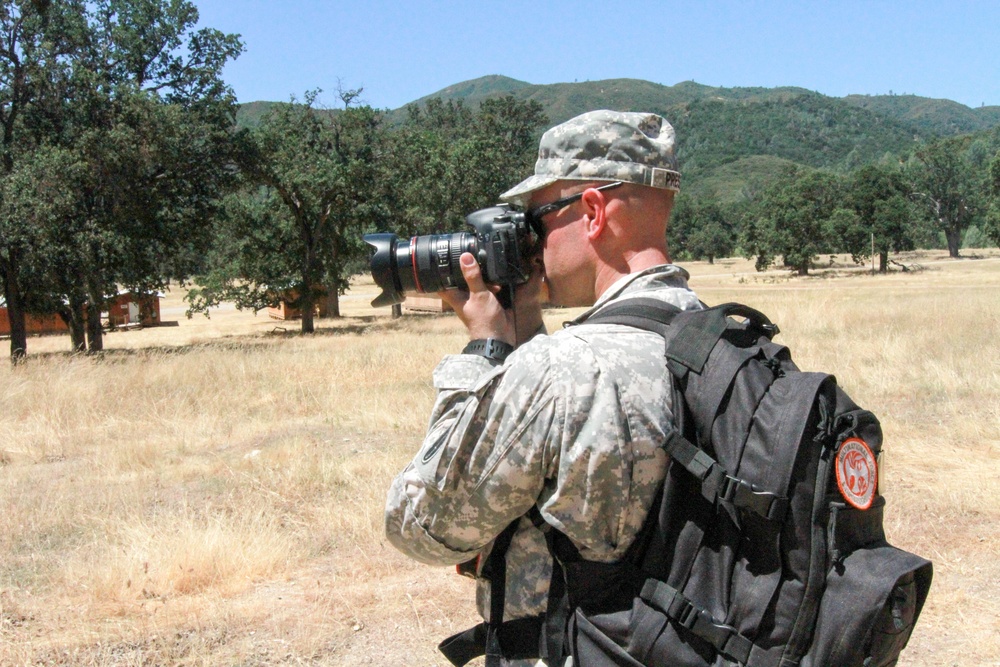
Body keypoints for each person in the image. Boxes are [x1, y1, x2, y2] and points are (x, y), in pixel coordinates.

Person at [384, 109, 701, 666]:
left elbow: (422, 524)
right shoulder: (718, 339)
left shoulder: (560, 373)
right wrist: (525, 322)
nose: (531, 243)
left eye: (538, 218)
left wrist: (485, 352)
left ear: (594, 212)